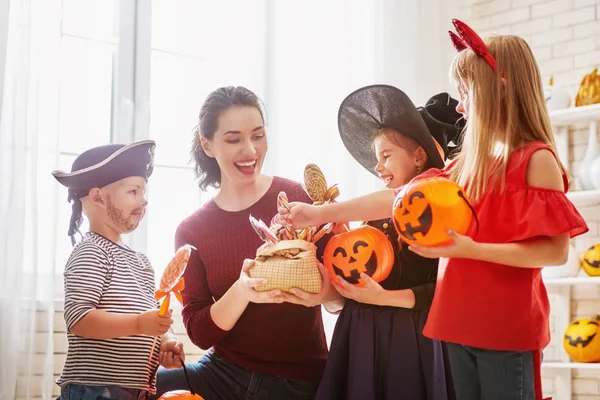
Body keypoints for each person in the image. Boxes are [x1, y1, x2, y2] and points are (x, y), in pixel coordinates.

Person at [283, 20, 589, 400]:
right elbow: (399, 200)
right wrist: (316, 215)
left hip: (506, 327)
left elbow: (555, 251)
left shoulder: (535, 160)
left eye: (466, 93)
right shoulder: (466, 166)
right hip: (457, 324)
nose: (460, 105)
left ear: (500, 88)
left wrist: (469, 250)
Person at [152, 86, 341, 400]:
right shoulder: (192, 230)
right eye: (233, 139)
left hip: (295, 382)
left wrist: (327, 294)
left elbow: (345, 296)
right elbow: (199, 331)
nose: (250, 151)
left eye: (258, 135)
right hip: (221, 373)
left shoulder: (300, 201)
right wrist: (242, 290)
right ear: (207, 144)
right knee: (136, 386)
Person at [313, 84, 461, 400]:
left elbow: (442, 292)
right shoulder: (374, 217)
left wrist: (384, 299)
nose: (378, 167)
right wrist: (342, 237)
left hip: (409, 339)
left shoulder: (440, 215)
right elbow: (361, 273)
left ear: (419, 156)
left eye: (386, 156)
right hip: (361, 333)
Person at [52, 140, 185, 400]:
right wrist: (139, 324)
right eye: (134, 191)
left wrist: (166, 340)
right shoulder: (91, 252)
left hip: (138, 390)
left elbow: (150, 317)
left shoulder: (141, 262)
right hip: (95, 389)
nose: (143, 201)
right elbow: (80, 320)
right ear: (97, 196)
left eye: (143, 192)